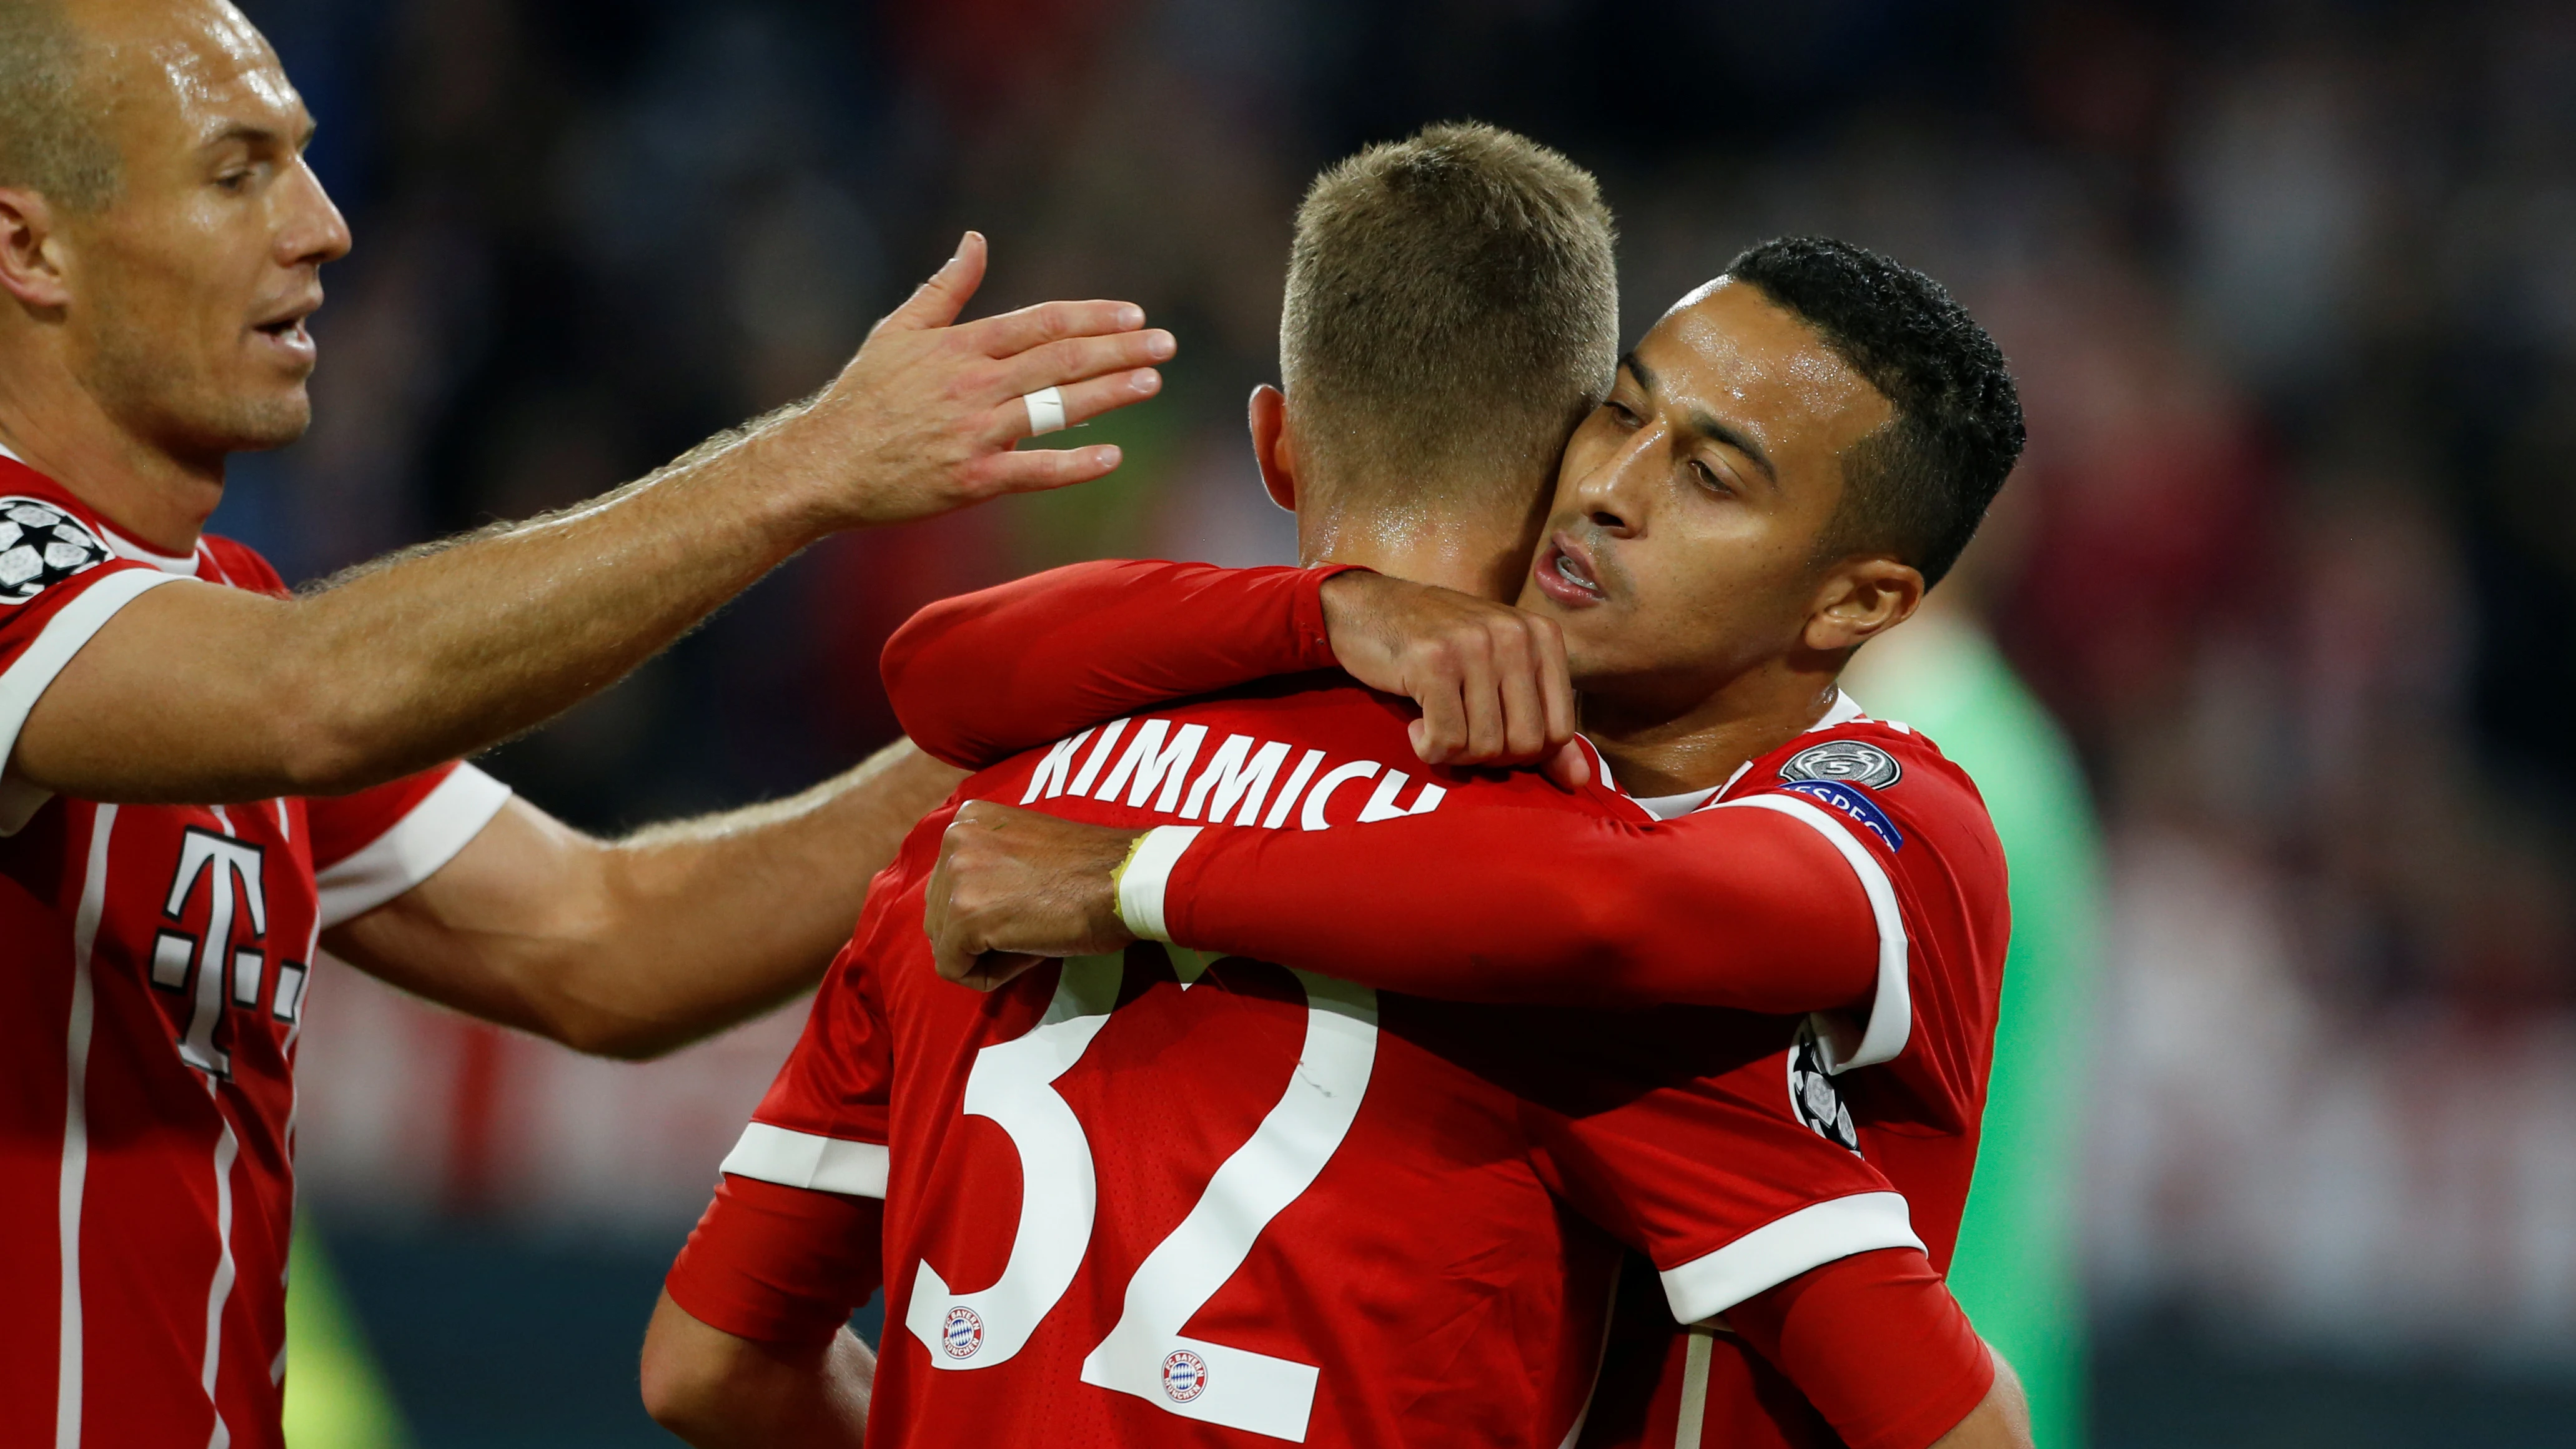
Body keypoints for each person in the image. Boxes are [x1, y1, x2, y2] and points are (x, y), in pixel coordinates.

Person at [646, 127, 2025, 1449]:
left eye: (1712, 475)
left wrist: (1132, 875)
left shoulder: (1013, 824)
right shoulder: (1541, 956)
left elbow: (1616, 906)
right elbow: (941, 668)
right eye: (1616, 412)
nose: (1610, 486)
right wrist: (1323, 616)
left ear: (1862, 598)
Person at [0, 1, 1173, 1445]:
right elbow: (313, 694)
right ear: (29, 248)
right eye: (237, 171)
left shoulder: (208, 622)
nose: (323, 225)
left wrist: (1074, 728)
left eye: (304, 159)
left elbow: (601, 939)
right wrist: (808, 462)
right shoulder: (152, 641)